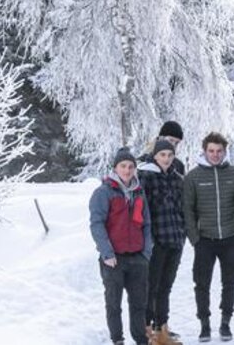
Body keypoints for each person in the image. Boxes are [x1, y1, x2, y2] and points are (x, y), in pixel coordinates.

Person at [183, 132, 234, 342]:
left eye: (219, 151)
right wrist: (194, 238)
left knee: (230, 282)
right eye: (211, 151)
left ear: (224, 151)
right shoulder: (193, 177)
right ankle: (204, 324)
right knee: (201, 283)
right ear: (204, 151)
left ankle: (225, 322)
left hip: (230, 238)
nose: (215, 155)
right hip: (205, 240)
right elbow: (188, 210)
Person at [90, 147, 154, 345]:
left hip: (137, 258)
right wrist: (106, 252)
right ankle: (118, 339)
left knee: (138, 304)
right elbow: (96, 224)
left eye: (131, 167)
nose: (127, 170)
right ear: (115, 168)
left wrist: (146, 252)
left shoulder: (138, 192)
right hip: (113, 259)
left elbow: (146, 223)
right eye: (123, 166)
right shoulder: (103, 192)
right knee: (113, 303)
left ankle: (140, 339)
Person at [138, 138, 186, 338]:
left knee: (166, 285)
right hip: (157, 241)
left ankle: (162, 326)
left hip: (175, 240)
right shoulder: (146, 176)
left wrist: (183, 232)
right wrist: (149, 238)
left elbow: (182, 207)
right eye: (162, 155)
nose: (166, 159)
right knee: (152, 285)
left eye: (170, 155)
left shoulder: (176, 178)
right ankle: (146, 327)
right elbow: (142, 210)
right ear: (155, 155)